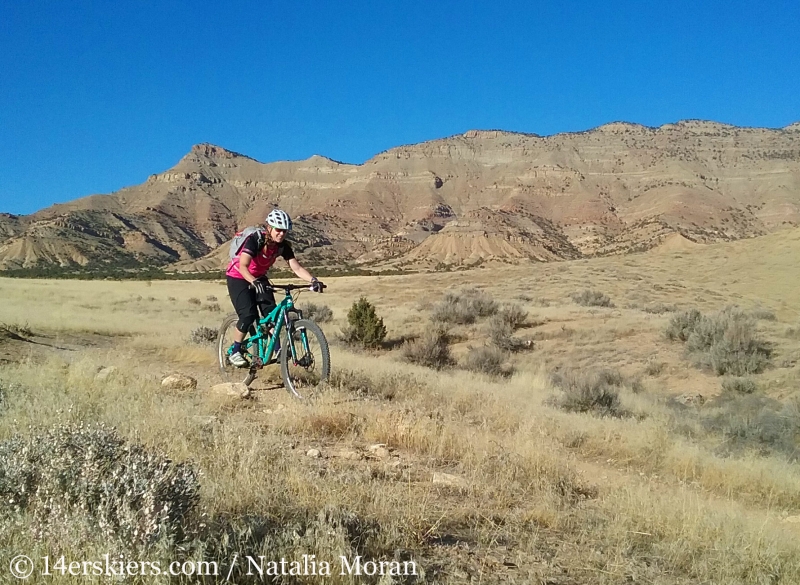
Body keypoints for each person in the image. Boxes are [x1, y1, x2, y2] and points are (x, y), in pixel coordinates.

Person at [225, 209, 324, 367]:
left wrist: (313, 280)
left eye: (284, 231)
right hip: (238, 276)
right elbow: (243, 266)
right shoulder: (255, 240)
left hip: (259, 278)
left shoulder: (283, 247)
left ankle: (278, 350)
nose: (281, 234)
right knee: (248, 315)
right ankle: (235, 350)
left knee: (272, 315)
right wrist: (253, 281)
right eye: (278, 230)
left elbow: (296, 268)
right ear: (269, 228)